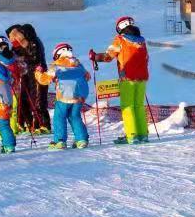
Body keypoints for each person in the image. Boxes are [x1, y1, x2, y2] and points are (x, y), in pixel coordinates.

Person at [92, 16, 152, 145]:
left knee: (127, 107)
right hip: (142, 78)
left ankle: (131, 135)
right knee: (139, 106)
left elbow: (108, 56)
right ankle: (143, 135)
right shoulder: (142, 41)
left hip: (127, 78)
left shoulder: (120, 39)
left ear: (120, 28)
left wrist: (95, 57)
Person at [35, 43, 91, 149]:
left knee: (59, 117)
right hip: (80, 96)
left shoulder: (56, 65)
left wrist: (38, 72)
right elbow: (87, 76)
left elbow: (43, 80)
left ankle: (60, 141)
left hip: (64, 96)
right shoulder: (78, 64)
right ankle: (82, 140)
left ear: (58, 54)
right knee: (75, 116)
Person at [7, 23, 49, 136]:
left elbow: (35, 57)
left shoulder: (33, 42)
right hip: (26, 74)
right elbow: (14, 57)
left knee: (38, 100)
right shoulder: (18, 46)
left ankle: (43, 124)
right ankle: (28, 123)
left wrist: (23, 47)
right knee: (24, 99)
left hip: (37, 73)